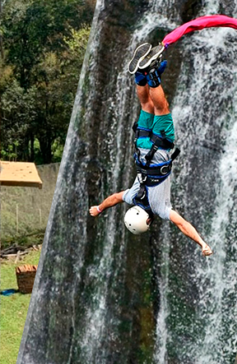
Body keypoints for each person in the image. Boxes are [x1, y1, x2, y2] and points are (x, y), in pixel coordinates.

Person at [89, 43, 213, 257]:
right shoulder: (131, 196)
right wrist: (99, 209)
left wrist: (202, 243)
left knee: (161, 107)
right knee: (146, 104)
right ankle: (141, 75)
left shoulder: (159, 209)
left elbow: (182, 225)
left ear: (147, 221)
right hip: (141, 147)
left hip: (161, 146)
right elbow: (114, 198)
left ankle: (152, 75)